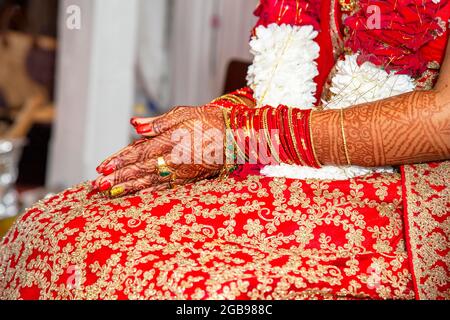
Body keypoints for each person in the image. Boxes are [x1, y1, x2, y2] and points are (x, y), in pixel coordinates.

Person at [1, 0, 449, 300]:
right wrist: (202, 129)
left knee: (158, 279)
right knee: (54, 227)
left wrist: (238, 136)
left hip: (405, 194)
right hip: (292, 158)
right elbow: (295, 92)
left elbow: (444, 121)